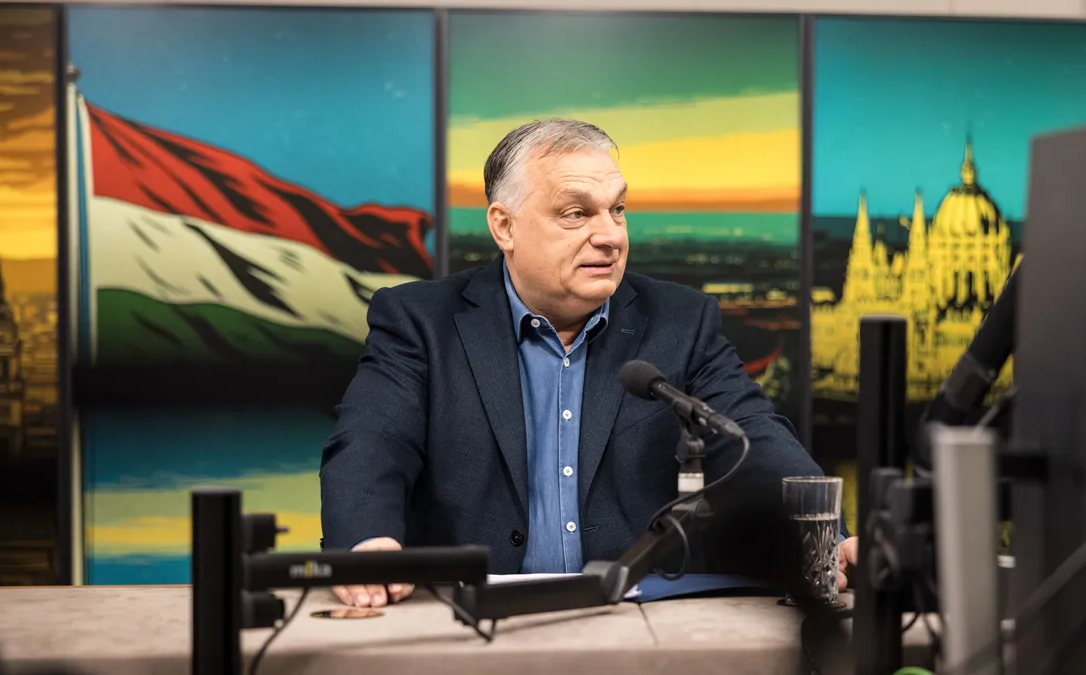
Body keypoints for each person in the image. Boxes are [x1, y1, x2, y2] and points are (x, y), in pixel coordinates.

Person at [320, 119, 858, 608]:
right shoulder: (420, 321)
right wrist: (367, 540)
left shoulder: (680, 322)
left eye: (617, 210)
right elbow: (371, 441)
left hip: (634, 625)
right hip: (472, 622)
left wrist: (823, 537)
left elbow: (753, 439)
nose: (610, 236)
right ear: (504, 227)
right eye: (576, 214)